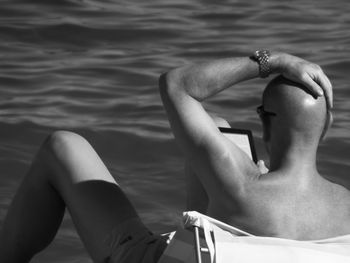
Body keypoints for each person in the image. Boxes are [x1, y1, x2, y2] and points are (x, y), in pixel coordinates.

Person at [0, 50, 348, 263]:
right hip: (247, 246)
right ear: (325, 128)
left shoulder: (242, 185)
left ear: (266, 124)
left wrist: (275, 61)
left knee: (61, 145)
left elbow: (176, 83)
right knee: (215, 127)